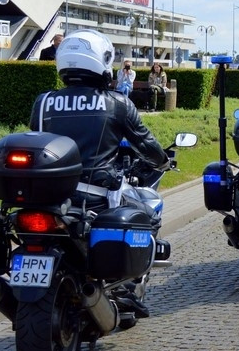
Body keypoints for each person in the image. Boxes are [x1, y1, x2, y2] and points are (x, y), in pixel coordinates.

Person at [30, 30, 170, 318]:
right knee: (149, 212)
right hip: (95, 197)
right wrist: (163, 161)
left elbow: (38, 139)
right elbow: (146, 145)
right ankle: (125, 287)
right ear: (102, 61)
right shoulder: (117, 103)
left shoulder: (43, 102)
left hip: (49, 196)